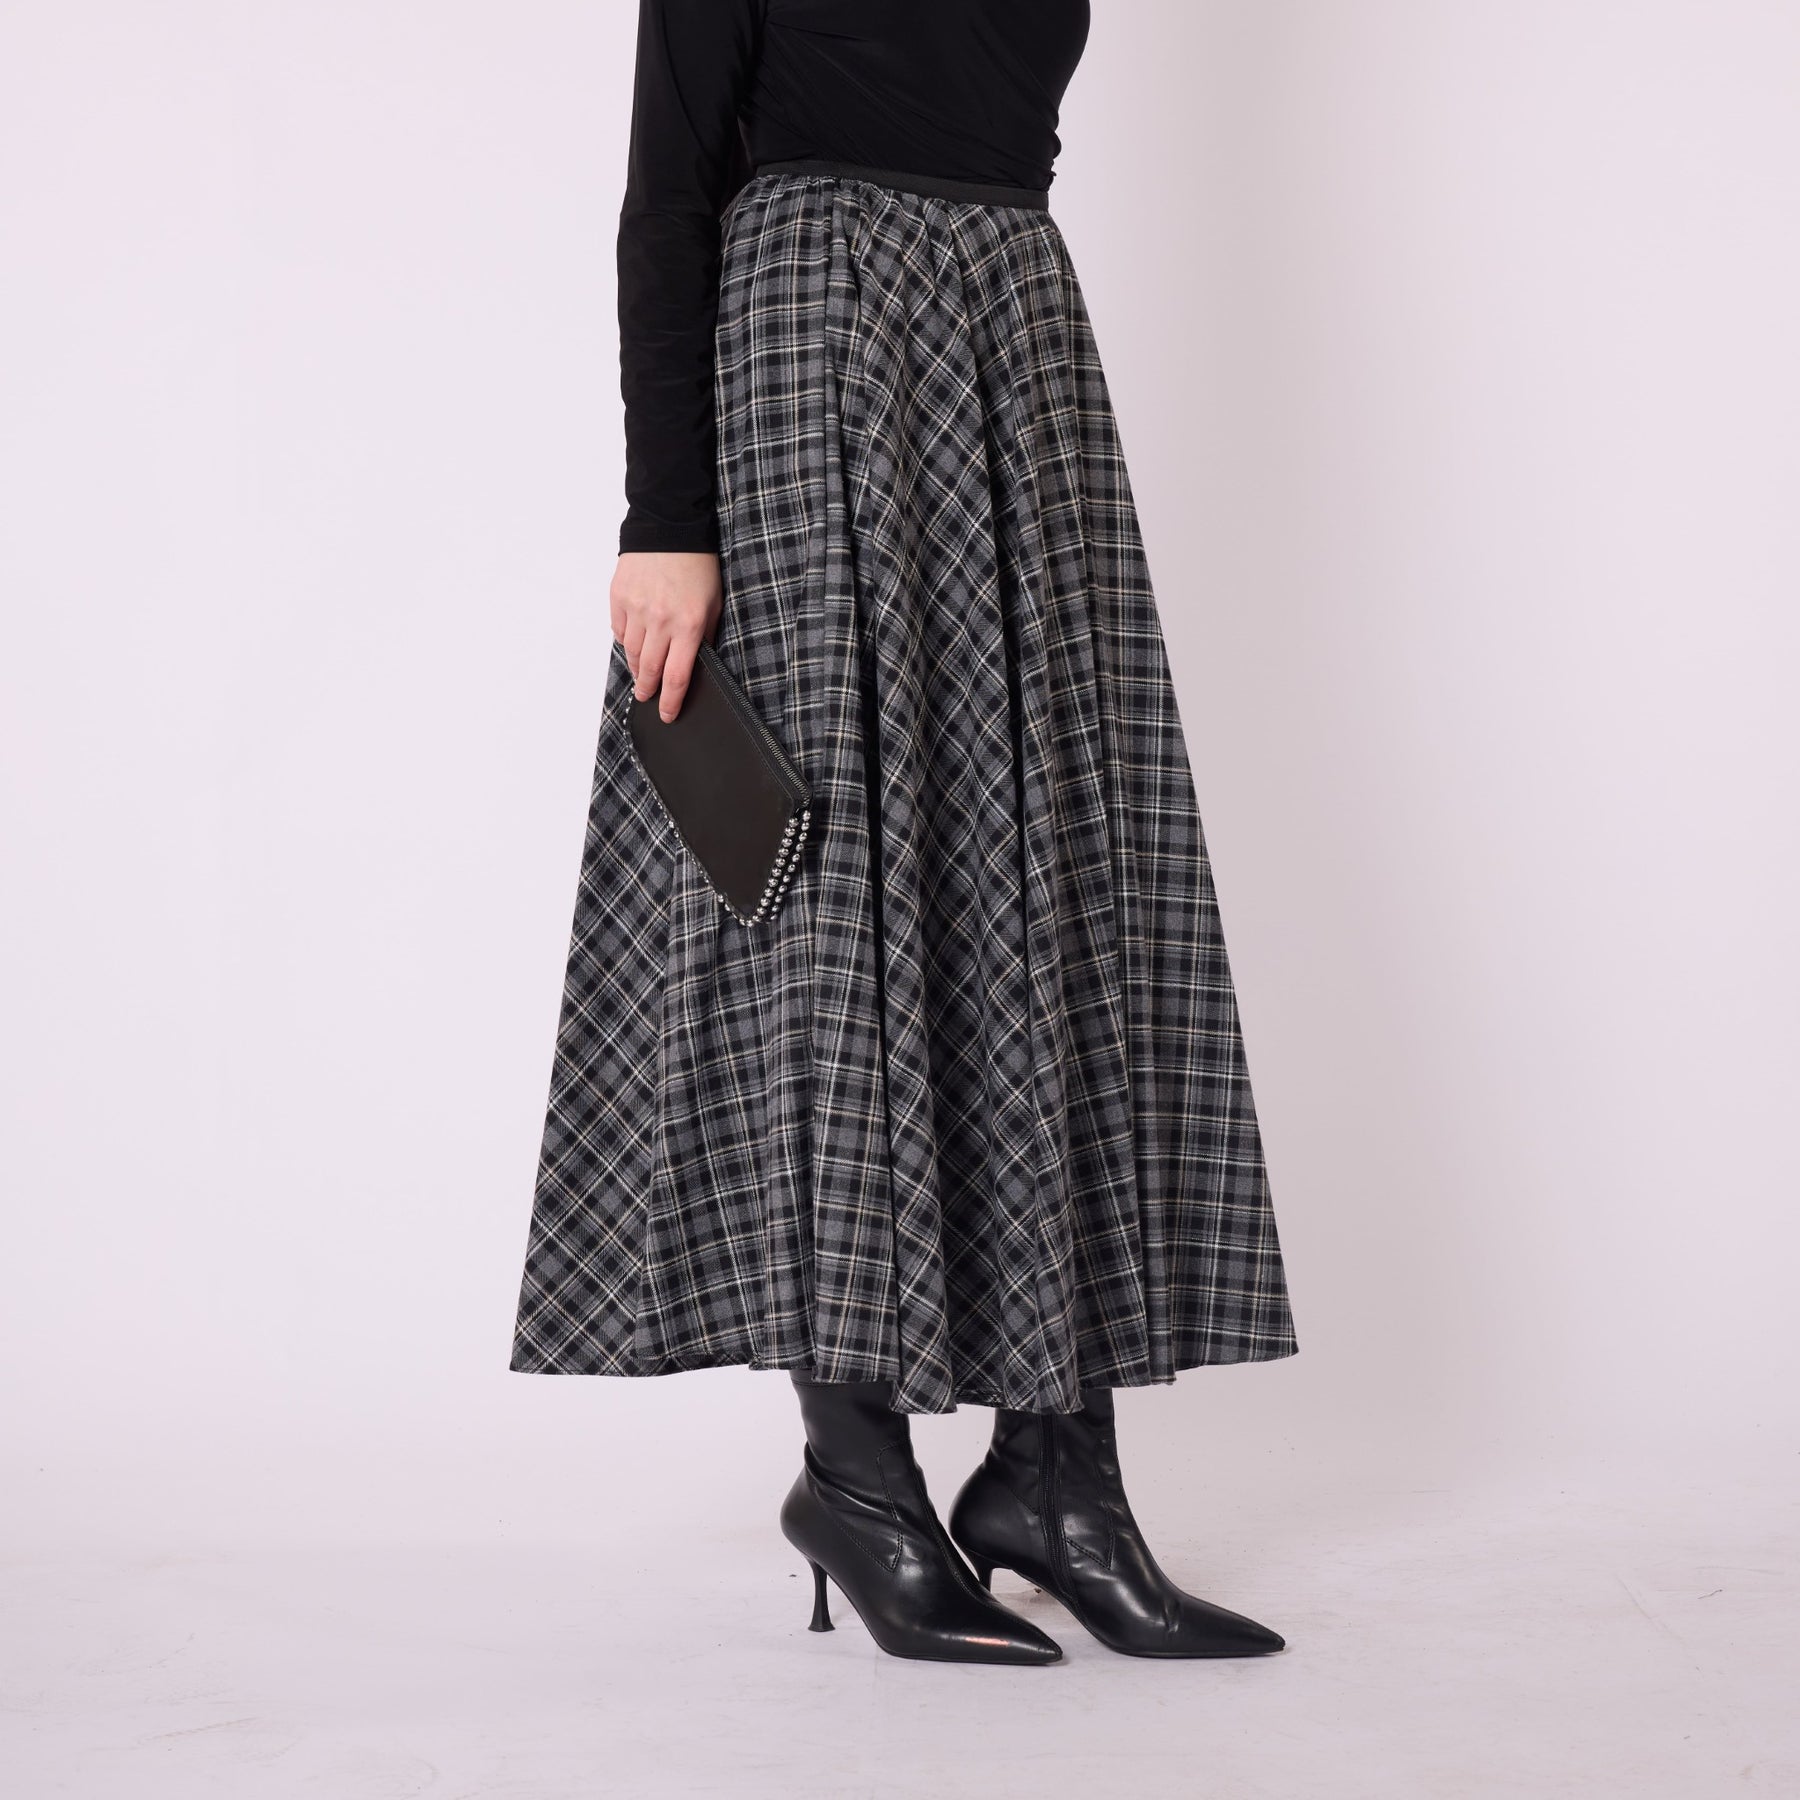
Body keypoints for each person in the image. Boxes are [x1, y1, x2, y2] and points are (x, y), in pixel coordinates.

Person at [510, 0, 1298, 1665]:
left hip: (1014, 337)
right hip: (816, 356)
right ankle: (859, 1483)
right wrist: (666, 517)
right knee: (834, 910)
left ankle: (1059, 1482)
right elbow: (670, 192)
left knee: (1053, 889)